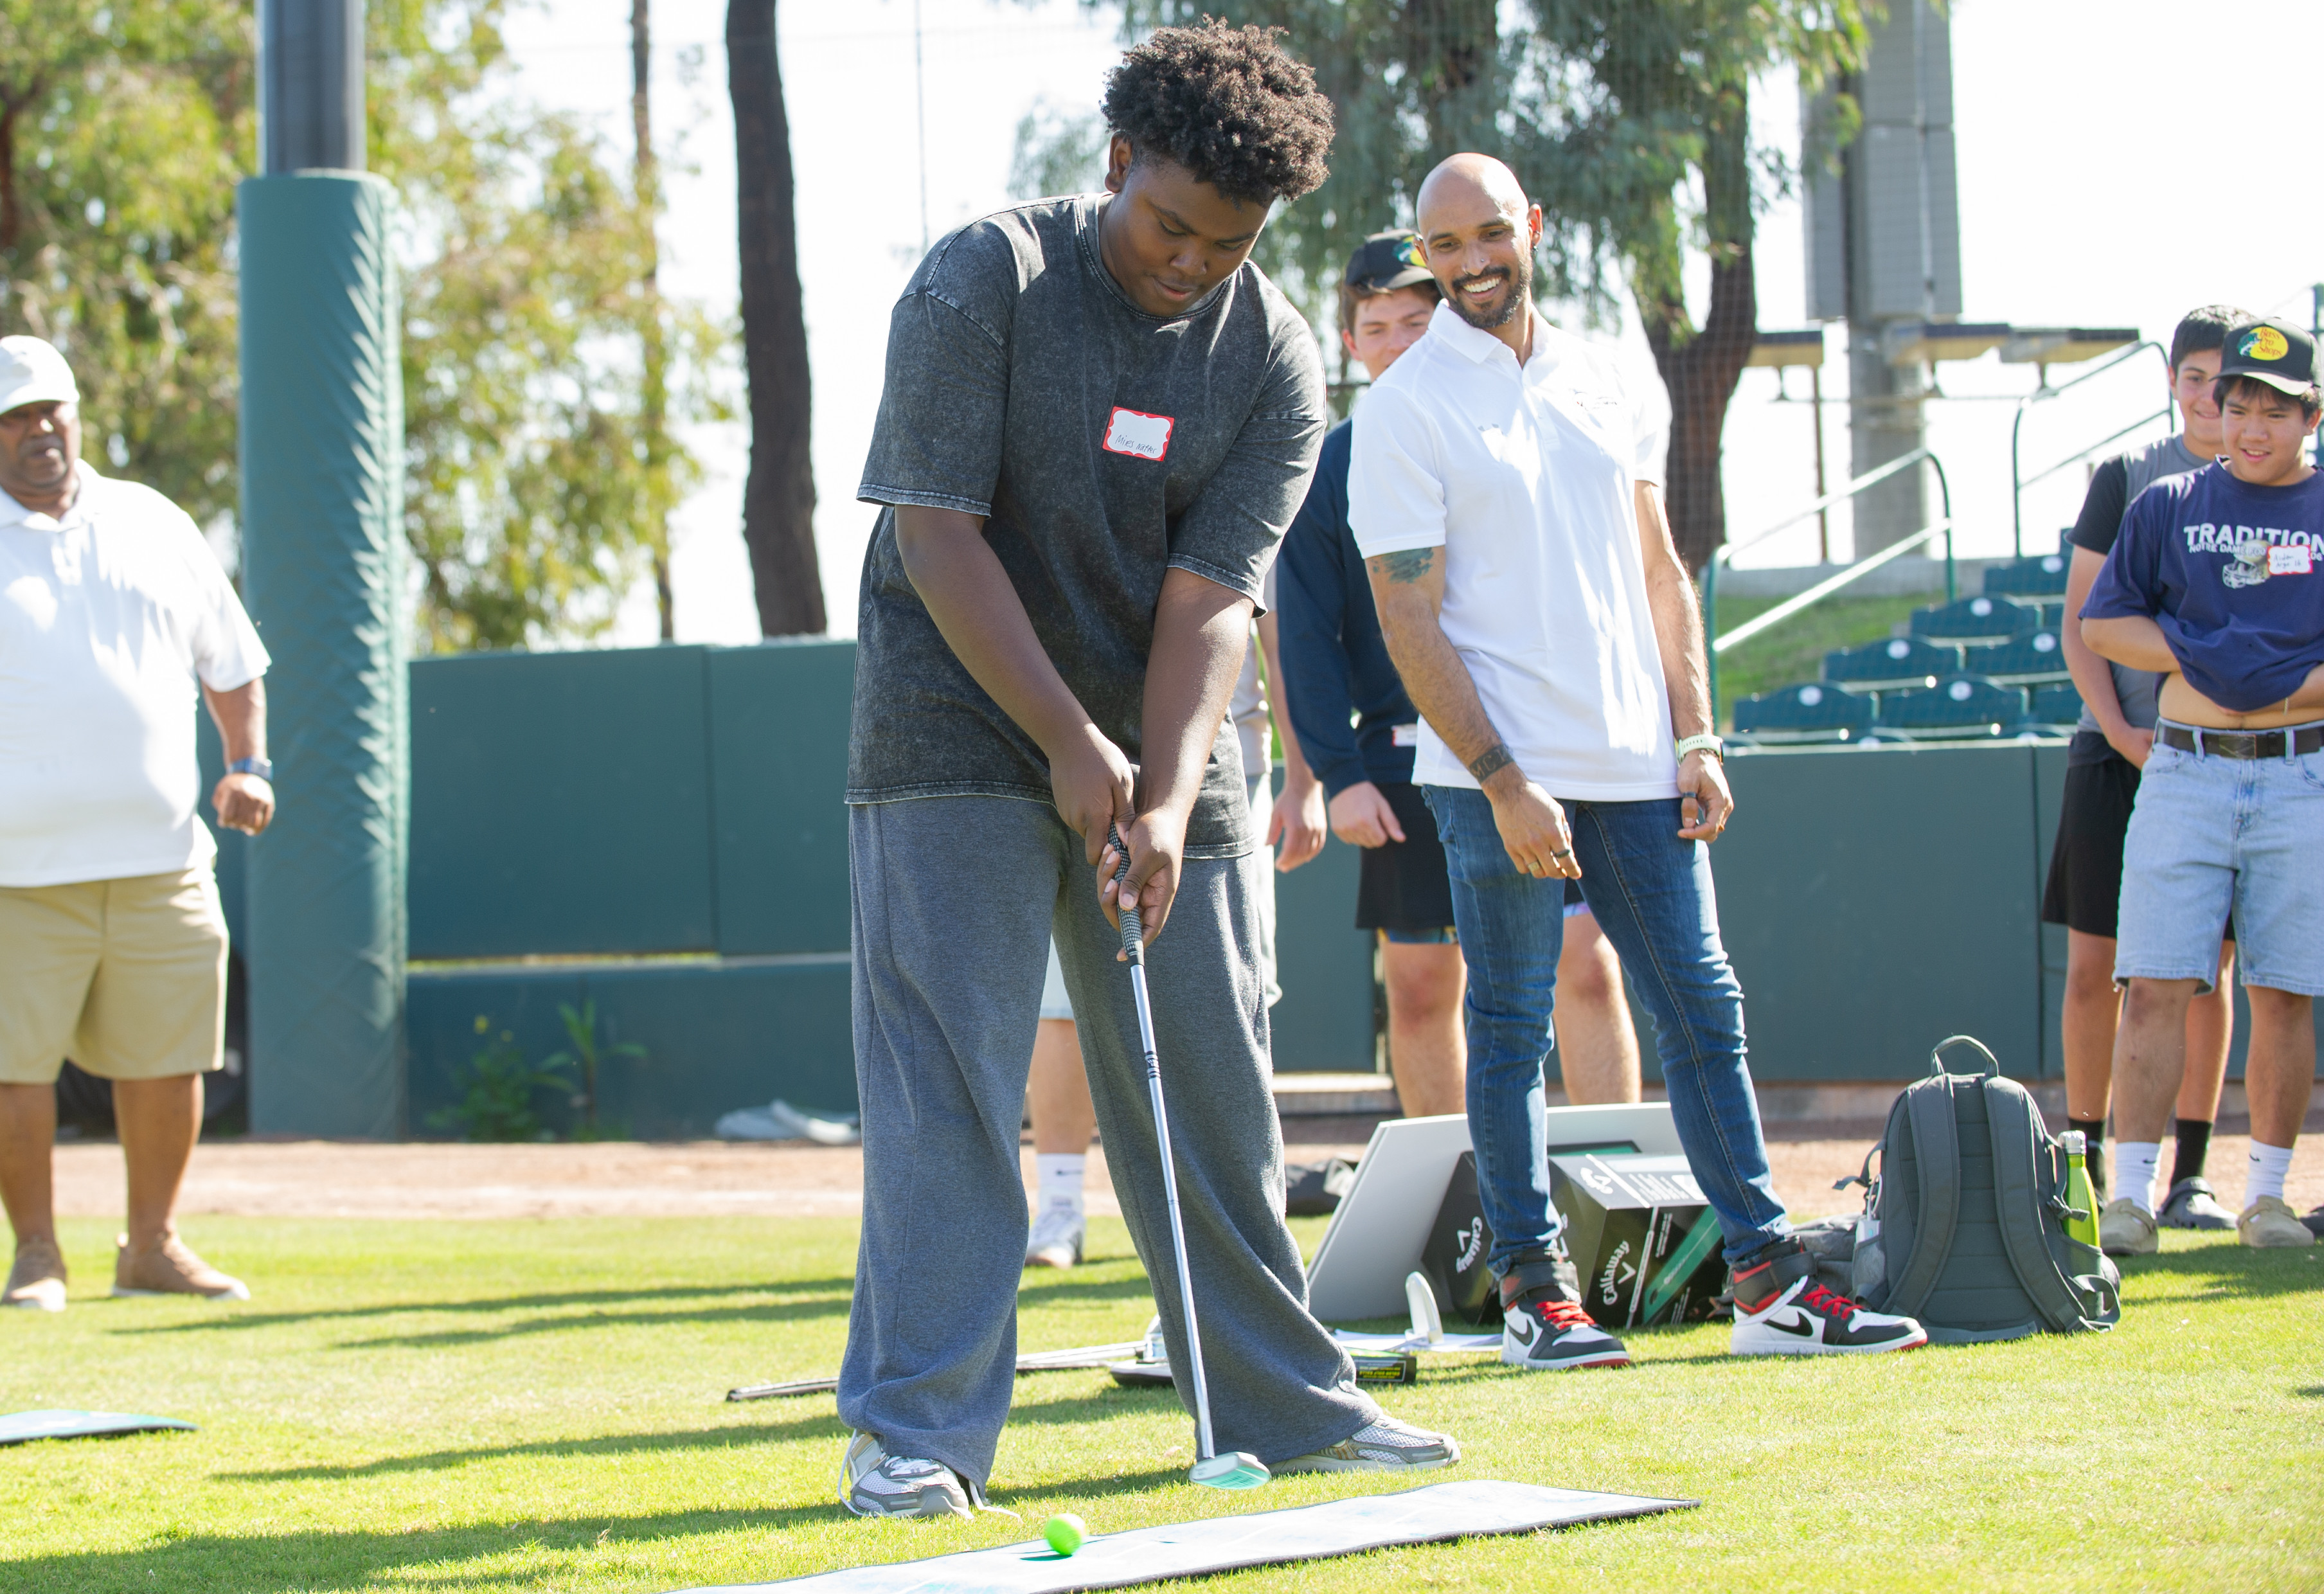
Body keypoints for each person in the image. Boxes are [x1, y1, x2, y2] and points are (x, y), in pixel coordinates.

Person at [836, 23, 1458, 1519]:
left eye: (1225, 243)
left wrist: (1166, 796)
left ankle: (1286, 1407)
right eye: (1168, 225)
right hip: (953, 726)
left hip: (1163, 732)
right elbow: (936, 534)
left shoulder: (1275, 355)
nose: (1189, 262)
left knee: (1213, 1090)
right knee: (956, 1093)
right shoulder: (985, 276)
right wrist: (1066, 737)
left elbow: (1211, 600)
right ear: (1116, 164)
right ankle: (914, 1438)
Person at [1350, 154, 1927, 1368]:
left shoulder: (1608, 376)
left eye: (1489, 235)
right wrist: (1503, 779)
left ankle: (1767, 1282)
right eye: (1443, 245)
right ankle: (1532, 1294)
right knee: (1508, 1030)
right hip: (1495, 779)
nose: (1468, 264)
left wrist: (1696, 732)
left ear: (1533, 230)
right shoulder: (1403, 410)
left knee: (1702, 1011)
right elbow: (1408, 619)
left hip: (1640, 771)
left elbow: (1662, 571)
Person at [1278, 229, 1640, 1122]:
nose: (1398, 339)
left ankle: (1615, 1183)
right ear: (1352, 345)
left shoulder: (1523, 421)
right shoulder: (1334, 462)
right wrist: (1339, 772)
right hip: (1405, 764)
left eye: (1416, 317)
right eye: (1377, 325)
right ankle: (1461, 1203)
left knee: (1584, 969)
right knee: (1421, 988)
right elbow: (1302, 631)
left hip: (1548, 750)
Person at [0, 336, 271, 1311]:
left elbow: (231, 660)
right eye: (16, 418)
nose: (40, 432)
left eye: (52, 412)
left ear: (78, 414)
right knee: (10, 1070)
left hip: (162, 858)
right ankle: (37, 1254)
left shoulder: (152, 522)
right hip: (13, 871)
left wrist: (248, 765)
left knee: (169, 1060)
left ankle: (150, 1245)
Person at [2082, 316, 2324, 1253]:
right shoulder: (2170, 502)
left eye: (2275, 409)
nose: (2253, 425)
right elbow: (2106, 625)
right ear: (2215, 407)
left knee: (2286, 992)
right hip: (2185, 770)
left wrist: (2261, 678)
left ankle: (2265, 1195)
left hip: (2301, 771)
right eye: (2238, 404)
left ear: (2312, 414)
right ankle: (2133, 1199)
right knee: (2153, 984)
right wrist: (2211, 656)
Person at [1022, 596, 1306, 1270]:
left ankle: (1240, 1224)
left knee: (1233, 993)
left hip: (1225, 755)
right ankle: (1061, 1204)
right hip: (1086, 747)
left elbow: (1272, 631)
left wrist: (1307, 769)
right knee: (1063, 1003)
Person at [2049, 307, 2246, 1240]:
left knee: (2209, 971)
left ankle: (2192, 1175)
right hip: (2120, 751)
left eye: (2231, 381)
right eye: (2199, 376)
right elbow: (2080, 623)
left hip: (2227, 761)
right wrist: (2124, 731)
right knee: (2097, 967)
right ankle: (2087, 1162)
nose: (2214, 395)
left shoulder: (2281, 490)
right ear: (2173, 380)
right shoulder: (2129, 479)